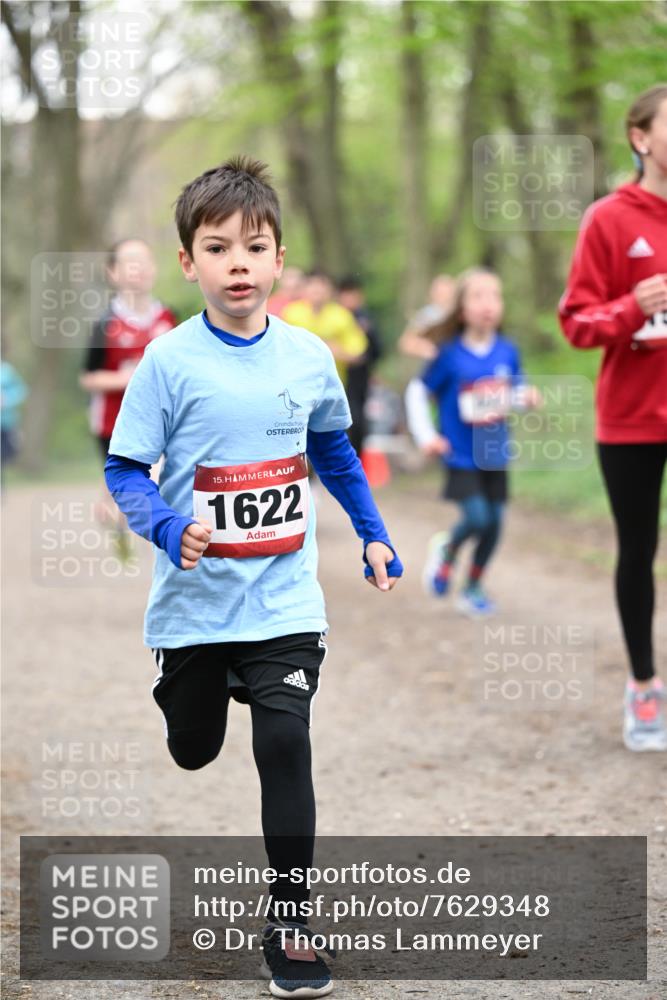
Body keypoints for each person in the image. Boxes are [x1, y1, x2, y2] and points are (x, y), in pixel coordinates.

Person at [104, 157, 403, 998]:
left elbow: (334, 452)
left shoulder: (309, 356)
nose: (238, 262)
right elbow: (125, 469)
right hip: (195, 604)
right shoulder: (167, 361)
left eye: (254, 246)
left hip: (282, 597)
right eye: (218, 247)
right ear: (188, 264)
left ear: (278, 261)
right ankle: (190, 685)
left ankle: (292, 924)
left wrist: (373, 536)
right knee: (194, 752)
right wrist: (167, 526)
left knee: (284, 741)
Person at [559, 83, 667, 753]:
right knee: (639, 550)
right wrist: (631, 306)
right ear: (641, 139)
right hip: (631, 417)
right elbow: (574, 322)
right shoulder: (608, 219)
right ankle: (643, 685)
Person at [406, 267, 538, 617]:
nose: (488, 304)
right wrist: (427, 436)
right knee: (478, 518)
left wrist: (526, 397)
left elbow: (515, 391)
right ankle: (448, 549)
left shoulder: (508, 351)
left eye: (494, 296)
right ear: (462, 309)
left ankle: (474, 586)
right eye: (478, 296)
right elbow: (418, 391)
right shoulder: (449, 355)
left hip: (495, 453)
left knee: (495, 523)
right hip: (460, 453)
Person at [79, 239, 177, 543]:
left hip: (159, 417)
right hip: (113, 419)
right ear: (113, 272)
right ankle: (115, 514)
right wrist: (128, 379)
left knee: (155, 475)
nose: (138, 270)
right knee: (123, 477)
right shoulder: (105, 324)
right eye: (129, 263)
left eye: (144, 262)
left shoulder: (168, 318)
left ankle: (147, 525)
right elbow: (88, 377)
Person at [281, 271, 368, 386]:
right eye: (312, 285)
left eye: (322, 285)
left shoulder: (342, 316)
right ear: (304, 289)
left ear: (331, 291)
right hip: (298, 383)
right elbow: (280, 350)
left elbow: (358, 355)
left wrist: (337, 351)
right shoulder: (291, 313)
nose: (317, 290)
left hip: (332, 385)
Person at [336, 275, 383, 455]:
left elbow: (377, 349)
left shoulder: (365, 319)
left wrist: (363, 357)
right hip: (339, 376)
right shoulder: (335, 317)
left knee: (358, 419)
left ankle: (357, 457)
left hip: (359, 377)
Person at [398, 273, 455, 361]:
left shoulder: (459, 315)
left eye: (446, 292)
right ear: (432, 294)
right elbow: (405, 343)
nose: (443, 296)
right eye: (439, 293)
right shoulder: (426, 315)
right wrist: (425, 349)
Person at [0, 357, 27, 485]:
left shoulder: (6, 371)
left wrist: (7, 399)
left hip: (5, 422)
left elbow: (21, 390)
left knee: (5, 454)